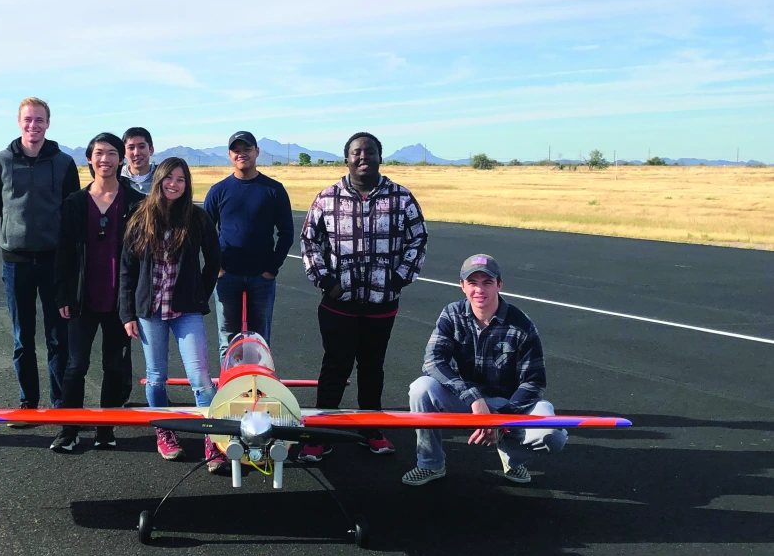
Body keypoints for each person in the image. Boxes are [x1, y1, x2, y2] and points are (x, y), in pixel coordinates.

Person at [297, 132, 428, 462]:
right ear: (347, 159)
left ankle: (370, 429)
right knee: (335, 367)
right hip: (338, 304)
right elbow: (310, 242)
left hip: (381, 304)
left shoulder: (401, 198)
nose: (363, 157)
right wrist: (327, 281)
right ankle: (319, 434)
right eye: (356, 152)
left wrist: (399, 278)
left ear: (380, 157)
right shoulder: (327, 198)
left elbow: (418, 240)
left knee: (373, 367)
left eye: (370, 152)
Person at [401, 254, 568, 486]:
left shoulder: (521, 324)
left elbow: (534, 381)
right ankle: (430, 464)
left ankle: (512, 456)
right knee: (421, 388)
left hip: (506, 405)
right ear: (462, 286)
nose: (479, 290)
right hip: (466, 402)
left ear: (499, 285)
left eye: (487, 282)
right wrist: (474, 398)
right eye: (472, 283)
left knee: (553, 435)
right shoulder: (452, 314)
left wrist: (500, 419)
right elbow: (433, 361)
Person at [119, 158, 226, 471]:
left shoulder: (196, 217)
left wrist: (199, 294)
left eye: (181, 179)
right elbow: (127, 269)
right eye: (169, 178)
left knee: (201, 378)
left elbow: (214, 258)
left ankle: (213, 437)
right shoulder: (140, 217)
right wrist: (127, 313)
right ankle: (164, 431)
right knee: (156, 376)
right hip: (150, 311)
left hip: (185, 311)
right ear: (159, 180)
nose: (174, 184)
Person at [0, 97, 80, 418]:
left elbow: (71, 213)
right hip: (17, 263)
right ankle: (28, 403)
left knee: (58, 338)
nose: (33, 126)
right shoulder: (0, 162)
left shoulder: (64, 163)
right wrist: (9, 240)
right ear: (18, 122)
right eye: (27, 120)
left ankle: (59, 405)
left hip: (54, 262)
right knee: (22, 337)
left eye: (39, 120)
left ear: (48, 123)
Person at [51, 133, 146, 452]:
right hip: (82, 299)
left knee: (113, 366)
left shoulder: (135, 201)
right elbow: (63, 253)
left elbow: (143, 254)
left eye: (112, 153)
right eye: (99, 153)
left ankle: (106, 429)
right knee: (75, 365)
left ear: (121, 160)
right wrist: (63, 295)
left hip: (121, 301)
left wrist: (134, 302)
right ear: (89, 159)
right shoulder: (75, 203)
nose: (105, 159)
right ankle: (69, 429)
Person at [203, 131, 293, 361]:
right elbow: (203, 233)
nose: (241, 154)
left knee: (260, 340)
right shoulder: (218, 190)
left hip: (261, 278)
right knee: (228, 339)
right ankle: (228, 387)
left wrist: (272, 269)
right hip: (227, 276)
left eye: (247, 149)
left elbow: (286, 233)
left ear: (257, 152)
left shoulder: (273, 189)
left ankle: (260, 389)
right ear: (229, 155)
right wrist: (217, 268)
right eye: (236, 150)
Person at [121, 126, 156, 194]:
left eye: (141, 147)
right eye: (131, 148)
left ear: (151, 150)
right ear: (124, 152)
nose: (136, 153)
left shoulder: (163, 177)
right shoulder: (117, 180)